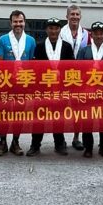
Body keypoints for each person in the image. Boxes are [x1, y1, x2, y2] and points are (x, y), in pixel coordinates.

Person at [27, 17, 74, 157]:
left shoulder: (66, 46)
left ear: (59, 30)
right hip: (43, 89)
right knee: (39, 118)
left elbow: (72, 68)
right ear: (46, 30)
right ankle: (35, 145)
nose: (53, 31)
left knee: (58, 118)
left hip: (60, 89)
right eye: (51, 28)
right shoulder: (40, 46)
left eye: (56, 28)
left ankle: (59, 143)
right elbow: (35, 69)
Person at [0, 9, 37, 156]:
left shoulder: (31, 41)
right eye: (15, 22)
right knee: (4, 113)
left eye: (20, 21)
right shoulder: (3, 40)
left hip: (22, 83)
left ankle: (15, 142)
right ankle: (2, 142)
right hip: (6, 83)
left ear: (24, 23)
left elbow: (32, 63)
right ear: (10, 23)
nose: (18, 24)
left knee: (19, 114)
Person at [77, 21, 103, 158]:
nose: (99, 36)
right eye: (96, 33)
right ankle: (88, 147)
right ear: (92, 35)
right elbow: (78, 71)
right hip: (88, 91)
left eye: (101, 33)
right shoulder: (84, 51)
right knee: (87, 121)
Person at [60, 4, 90, 151]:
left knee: (79, 109)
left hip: (81, 78)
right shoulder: (60, 33)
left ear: (80, 17)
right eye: (72, 14)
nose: (75, 17)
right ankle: (61, 140)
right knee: (61, 108)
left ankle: (76, 137)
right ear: (67, 16)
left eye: (77, 15)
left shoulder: (86, 34)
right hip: (62, 77)